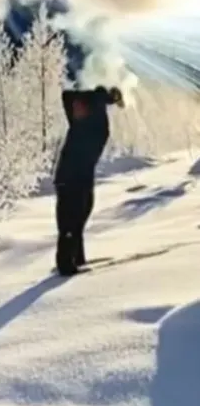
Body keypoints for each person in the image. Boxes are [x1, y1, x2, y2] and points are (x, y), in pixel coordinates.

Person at [54, 84, 124, 276]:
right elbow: (67, 96)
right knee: (71, 220)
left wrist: (104, 98)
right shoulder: (86, 123)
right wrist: (103, 97)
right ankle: (66, 264)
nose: (76, 108)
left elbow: (71, 98)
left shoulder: (91, 125)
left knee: (80, 215)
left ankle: (76, 257)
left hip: (80, 177)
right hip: (71, 178)